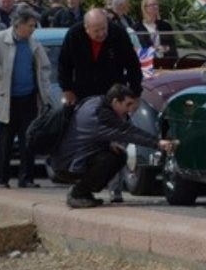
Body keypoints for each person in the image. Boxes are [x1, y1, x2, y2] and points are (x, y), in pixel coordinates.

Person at [54, 82, 174, 210]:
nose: (129, 109)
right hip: (68, 165)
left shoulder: (95, 101)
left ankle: (83, 191)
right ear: (116, 101)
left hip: (64, 159)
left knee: (117, 152)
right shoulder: (103, 115)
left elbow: (91, 133)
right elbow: (129, 132)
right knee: (111, 159)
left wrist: (108, 143)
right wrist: (157, 142)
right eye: (127, 104)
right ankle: (78, 194)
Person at [0, 7, 55, 189]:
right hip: (6, 99)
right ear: (19, 24)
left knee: (28, 139)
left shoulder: (33, 43)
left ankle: (26, 178)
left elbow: (44, 68)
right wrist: (3, 73)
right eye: (30, 25)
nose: (32, 29)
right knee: (5, 140)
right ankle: (1, 179)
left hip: (28, 98)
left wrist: (45, 95)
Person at [57, 6, 142, 106]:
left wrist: (135, 93)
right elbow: (64, 64)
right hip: (84, 94)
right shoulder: (74, 35)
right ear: (86, 28)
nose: (101, 33)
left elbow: (133, 64)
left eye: (103, 28)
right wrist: (67, 89)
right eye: (96, 31)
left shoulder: (118, 33)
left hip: (114, 94)